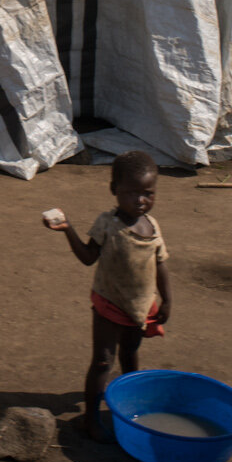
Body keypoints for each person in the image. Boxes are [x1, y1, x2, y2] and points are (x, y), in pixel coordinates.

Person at [43, 150, 172, 440]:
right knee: (103, 361)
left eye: (148, 193)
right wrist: (68, 230)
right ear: (114, 190)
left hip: (139, 307)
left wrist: (167, 300)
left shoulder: (152, 226)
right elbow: (89, 257)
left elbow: (160, 264)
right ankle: (90, 419)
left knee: (130, 356)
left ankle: (128, 409)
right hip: (108, 304)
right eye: (132, 193)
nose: (140, 200)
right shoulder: (107, 224)